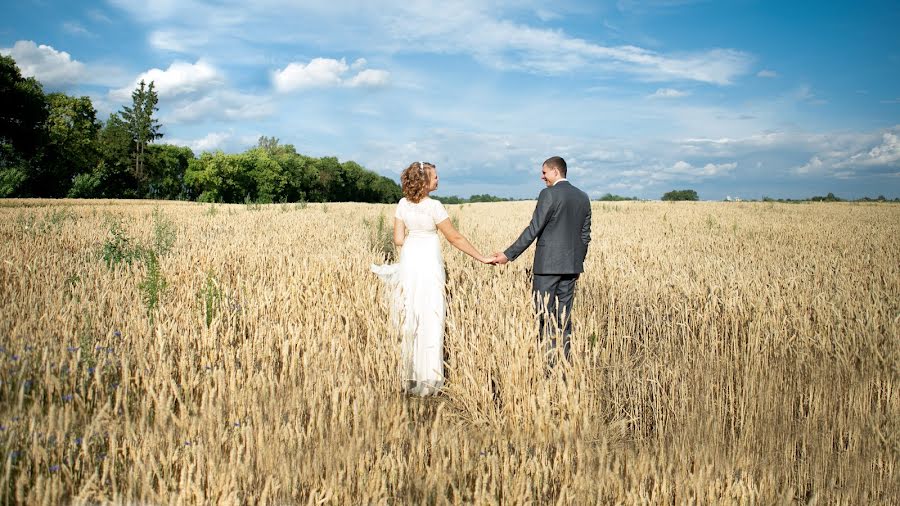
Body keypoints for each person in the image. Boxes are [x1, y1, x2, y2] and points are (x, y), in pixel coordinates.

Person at [372, 161, 494, 396]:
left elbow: (398, 239)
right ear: (424, 182)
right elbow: (455, 238)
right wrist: (481, 257)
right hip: (429, 263)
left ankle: (408, 374)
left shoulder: (402, 204)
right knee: (431, 315)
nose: (438, 180)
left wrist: (413, 239)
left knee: (412, 317)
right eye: (435, 177)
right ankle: (429, 379)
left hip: (411, 261)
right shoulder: (435, 206)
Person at [492, 156, 591, 364]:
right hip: (571, 267)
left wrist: (508, 255)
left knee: (543, 315)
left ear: (556, 172)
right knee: (564, 317)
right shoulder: (583, 197)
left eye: (544, 172)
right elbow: (585, 235)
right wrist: (576, 263)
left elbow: (534, 228)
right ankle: (564, 361)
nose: (542, 177)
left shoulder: (549, 194)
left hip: (547, 267)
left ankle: (546, 363)